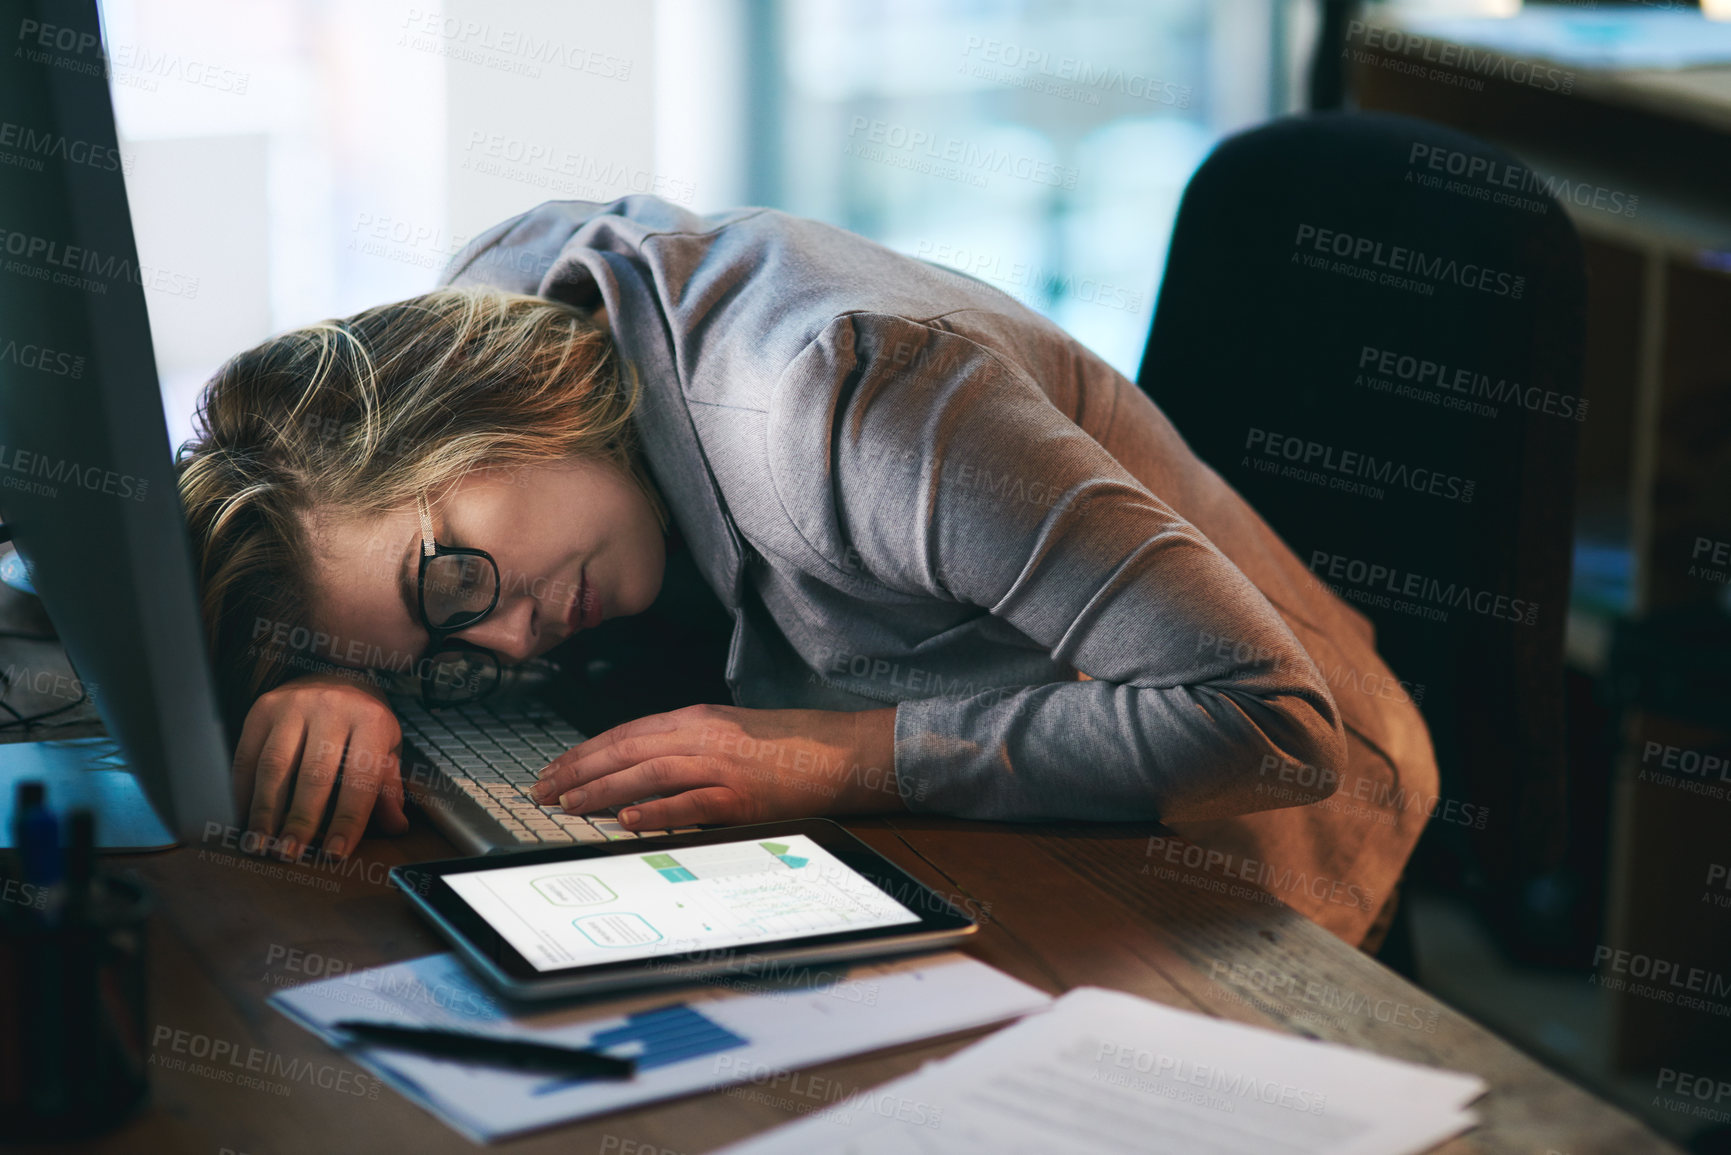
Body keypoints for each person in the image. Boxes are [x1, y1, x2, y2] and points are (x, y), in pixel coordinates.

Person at [175, 194, 1438, 949]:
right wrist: (340, 675)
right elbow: (342, 541)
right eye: (448, 642)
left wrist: (833, 759)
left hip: (1250, 844)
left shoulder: (848, 412)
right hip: (999, 814)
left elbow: (1271, 725)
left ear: (474, 407)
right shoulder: (513, 296)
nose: (501, 648)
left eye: (451, 589)